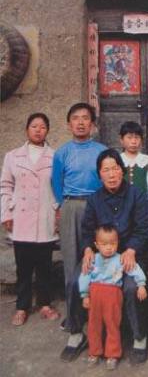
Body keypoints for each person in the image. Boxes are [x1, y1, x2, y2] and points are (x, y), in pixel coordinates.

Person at [81, 148, 148, 364]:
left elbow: (143, 228)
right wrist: (87, 250)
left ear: (122, 171)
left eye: (115, 169)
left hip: (130, 254)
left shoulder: (136, 195)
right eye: (106, 170)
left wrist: (131, 249)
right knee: (77, 277)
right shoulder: (94, 199)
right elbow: (87, 229)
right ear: (99, 174)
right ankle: (78, 333)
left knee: (130, 287)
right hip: (102, 256)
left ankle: (139, 337)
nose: (111, 174)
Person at [51, 102, 106, 361]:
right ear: (69, 124)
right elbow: (56, 183)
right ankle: (75, 322)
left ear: (93, 124)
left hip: (97, 206)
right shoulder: (62, 153)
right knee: (72, 267)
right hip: (71, 206)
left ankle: (98, 315)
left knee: (99, 262)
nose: (81, 122)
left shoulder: (101, 151)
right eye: (76, 118)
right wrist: (64, 206)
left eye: (86, 118)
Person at [0, 113, 60, 326]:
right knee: (23, 266)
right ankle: (22, 306)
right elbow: (5, 186)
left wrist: (58, 211)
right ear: (27, 129)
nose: (38, 130)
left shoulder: (55, 156)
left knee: (45, 264)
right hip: (21, 216)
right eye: (34, 126)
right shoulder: (13, 156)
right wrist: (6, 213)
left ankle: (45, 303)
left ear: (48, 131)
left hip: (45, 214)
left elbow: (58, 187)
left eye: (43, 127)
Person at [79, 224, 147, 370]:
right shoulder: (93, 259)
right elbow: (84, 276)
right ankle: (94, 352)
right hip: (95, 294)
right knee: (94, 324)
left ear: (118, 243)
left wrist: (141, 284)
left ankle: (113, 354)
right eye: (104, 244)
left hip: (113, 295)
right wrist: (84, 294)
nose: (109, 247)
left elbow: (135, 270)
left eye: (113, 243)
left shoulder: (121, 258)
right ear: (96, 244)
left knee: (112, 324)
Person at [120, 121, 148, 196]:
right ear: (121, 140)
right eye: (129, 137)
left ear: (141, 140)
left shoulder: (147, 162)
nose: (133, 141)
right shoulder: (117, 161)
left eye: (137, 137)